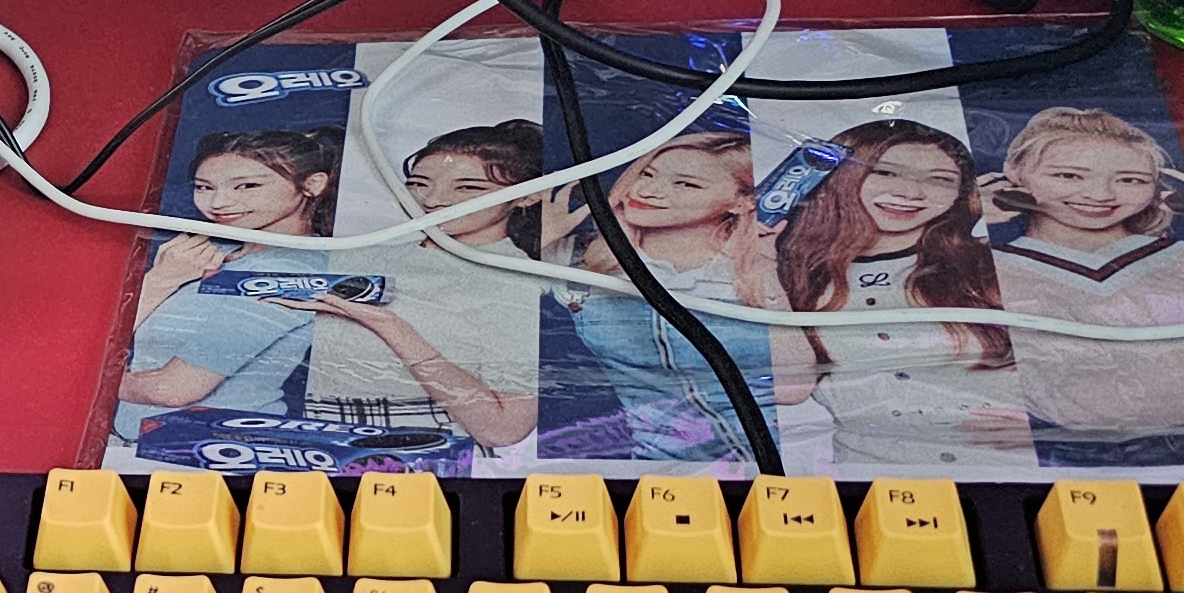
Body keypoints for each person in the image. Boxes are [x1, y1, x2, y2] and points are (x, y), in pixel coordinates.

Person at [984, 105, 1184, 467]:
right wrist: (965, 222)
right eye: (1069, 175)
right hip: (1066, 462)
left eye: (1131, 180)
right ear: (1014, 172)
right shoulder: (980, 267)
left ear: (1161, 184)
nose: (1100, 195)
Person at [764, 118, 1033, 471]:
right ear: (839, 177)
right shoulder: (790, 275)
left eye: (939, 180)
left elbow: (1083, 367)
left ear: (960, 192)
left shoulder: (990, 263)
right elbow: (785, 387)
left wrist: (1049, 424)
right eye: (886, 173)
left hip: (1009, 474)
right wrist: (763, 274)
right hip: (869, 481)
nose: (911, 193)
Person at [288, 121, 546, 472]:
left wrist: (388, 325)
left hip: (426, 459)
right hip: (314, 445)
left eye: (468, 187)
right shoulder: (360, 254)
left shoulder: (520, 282)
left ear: (528, 195)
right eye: (419, 184)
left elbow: (503, 428)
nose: (432, 200)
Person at [544, 132, 780, 467]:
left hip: (789, 468)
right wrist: (543, 238)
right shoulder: (576, 260)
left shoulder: (766, 267)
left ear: (742, 202)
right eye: (647, 174)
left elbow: (796, 389)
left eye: (685, 184)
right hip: (658, 469)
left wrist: (773, 272)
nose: (646, 191)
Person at [118, 130, 336, 443]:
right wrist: (161, 279)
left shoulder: (295, 271)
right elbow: (106, 338)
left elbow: (175, 389)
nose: (218, 202)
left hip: (216, 452)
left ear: (312, 184)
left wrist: (83, 376)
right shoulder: (203, 254)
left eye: (247, 186)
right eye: (204, 187)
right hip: (143, 442)